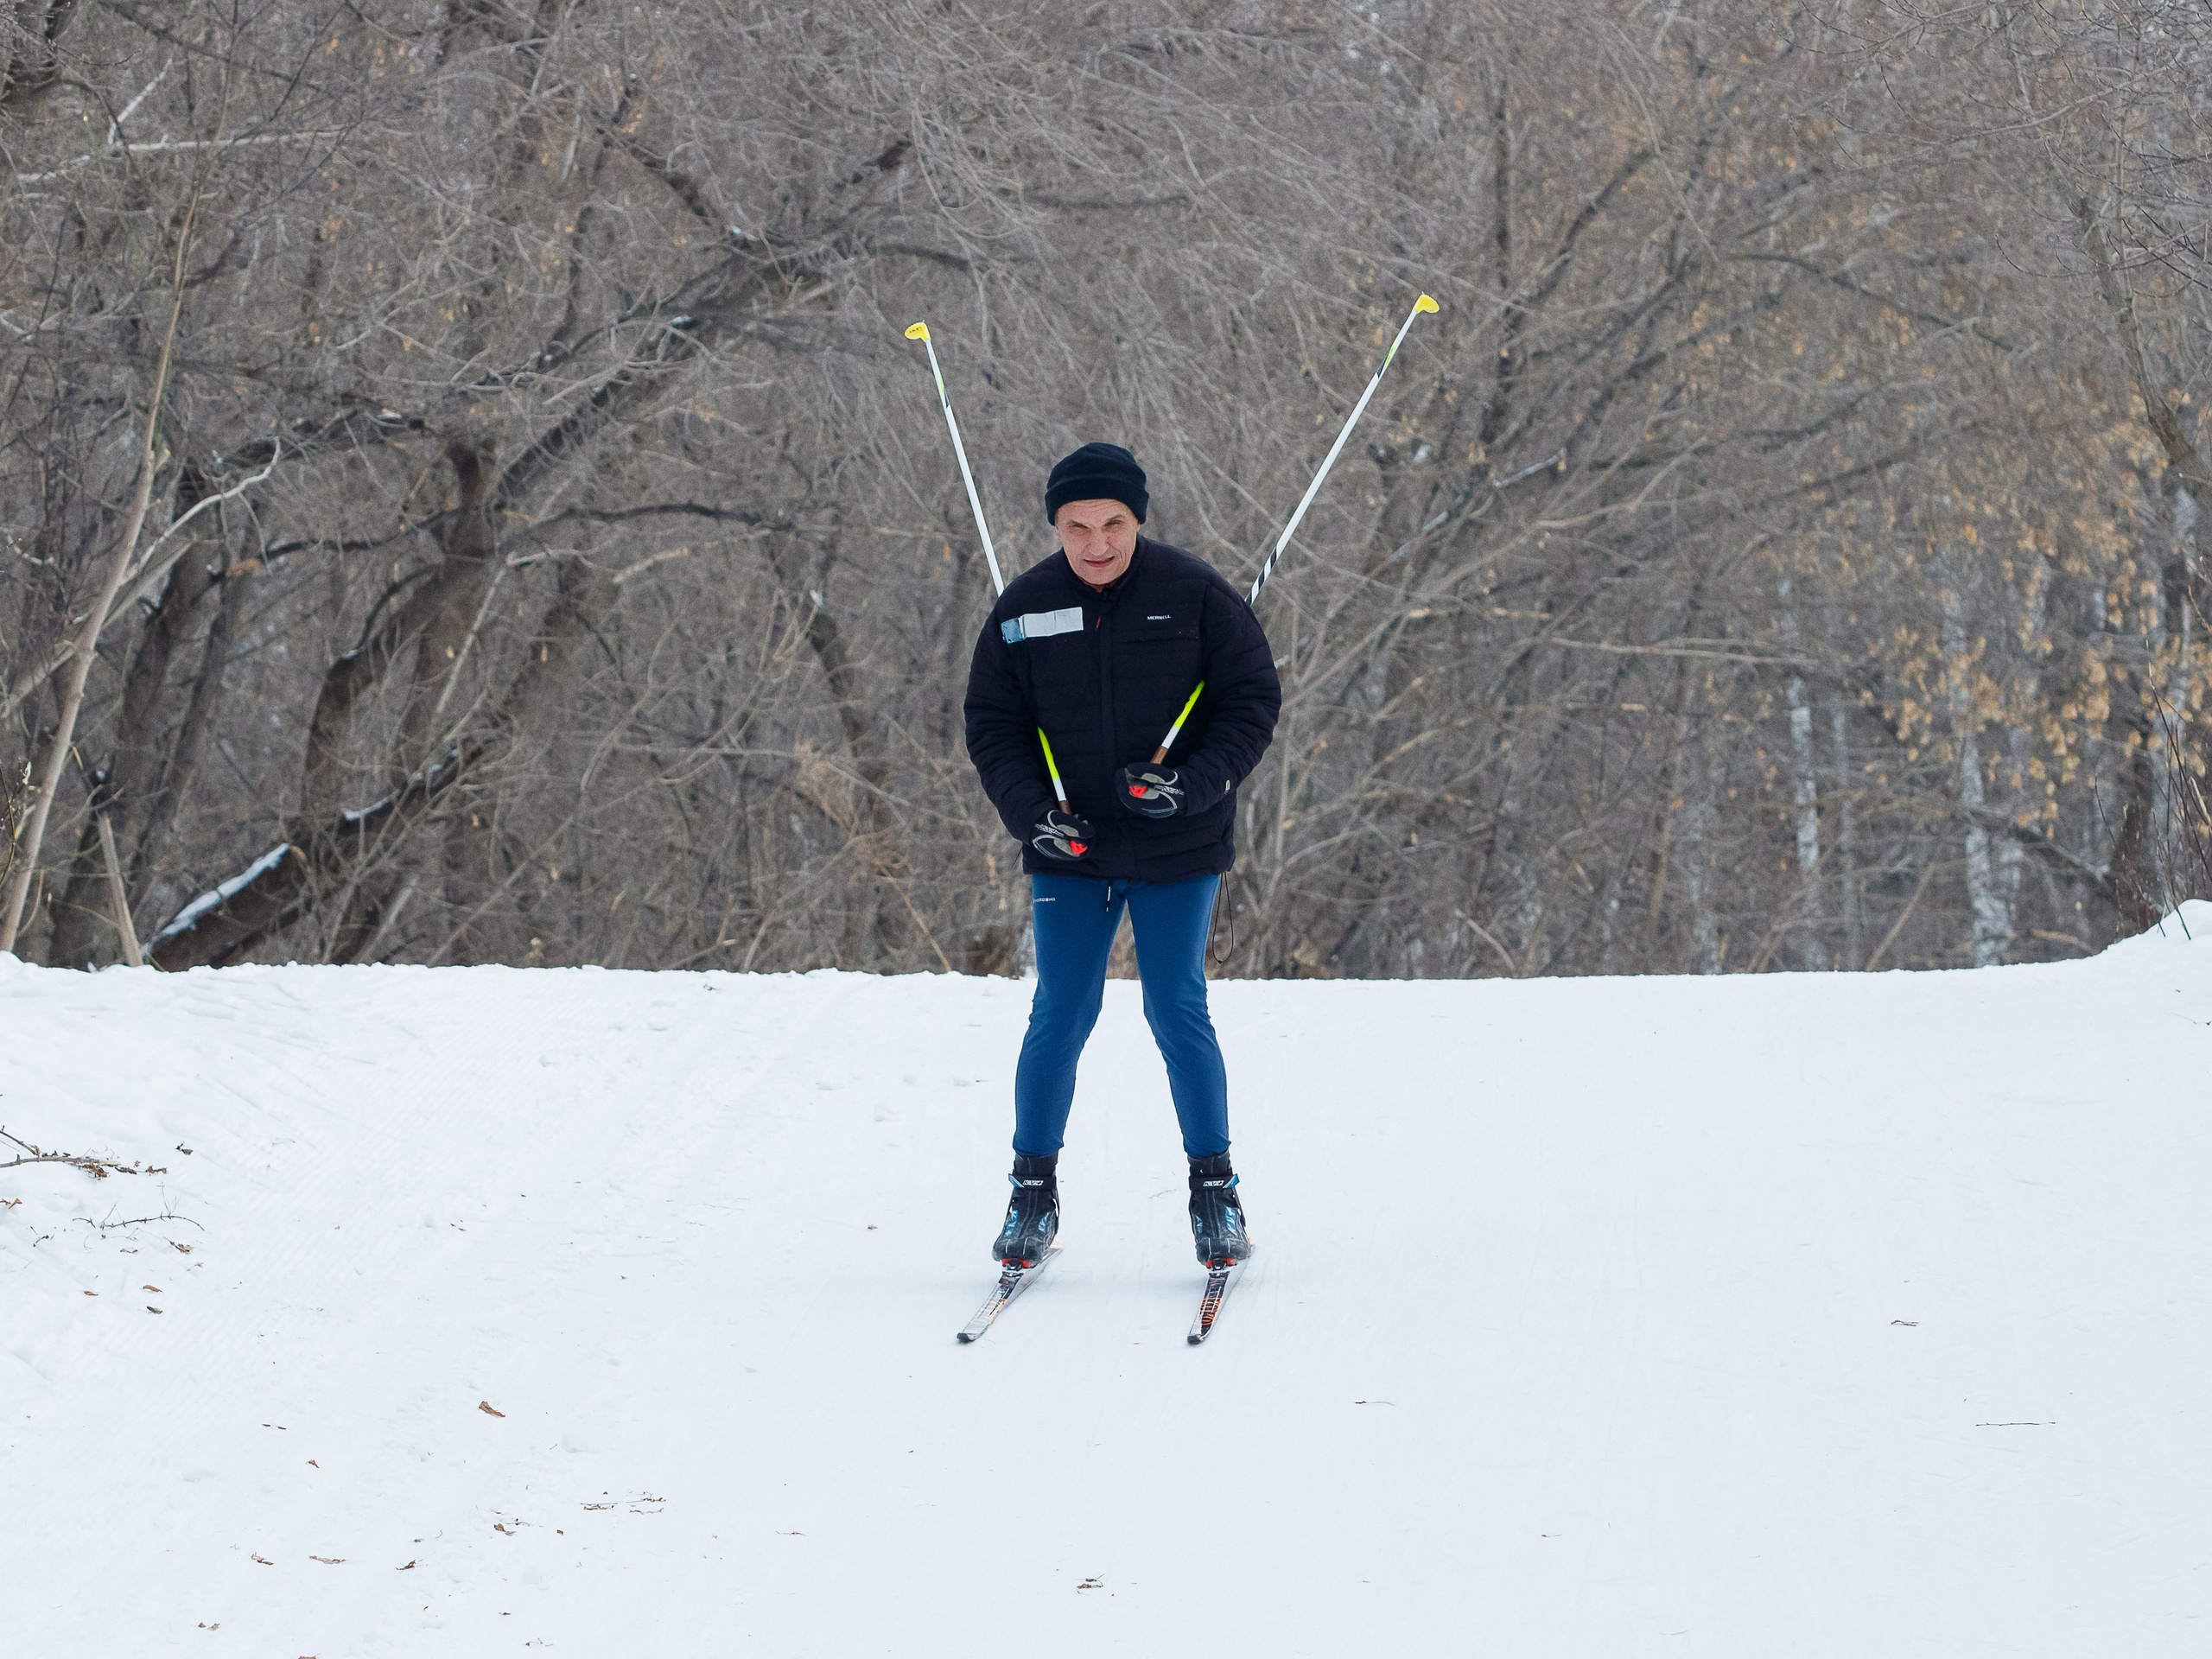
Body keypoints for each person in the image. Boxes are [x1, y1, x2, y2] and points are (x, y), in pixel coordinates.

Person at [963, 442, 1281, 1269]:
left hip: (1180, 840)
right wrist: (1032, 817)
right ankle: (1031, 1194)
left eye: (1112, 524)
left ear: (1137, 519)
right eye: (1077, 527)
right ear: (1055, 527)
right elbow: (993, 726)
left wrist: (1193, 784)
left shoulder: (1195, 594)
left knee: (1175, 1007)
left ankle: (1215, 1192)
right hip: (1071, 846)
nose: (1096, 544)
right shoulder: (1024, 608)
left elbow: (1251, 700)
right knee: (1061, 1012)